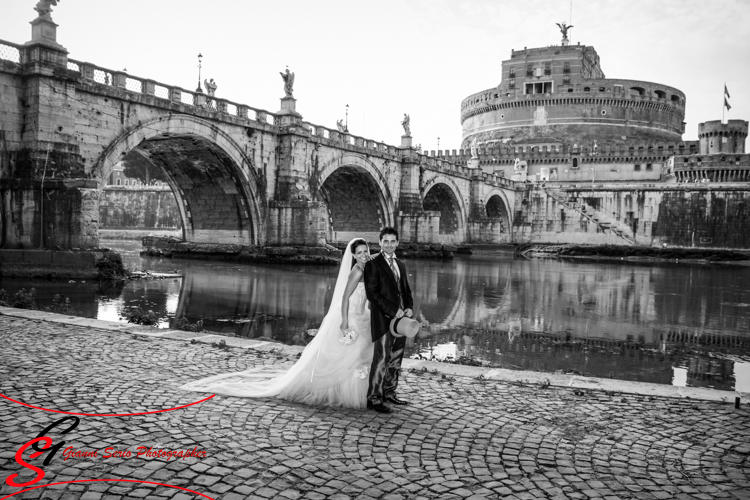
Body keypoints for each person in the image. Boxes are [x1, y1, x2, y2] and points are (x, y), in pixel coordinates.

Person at [179, 238, 374, 409]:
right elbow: (345, 298)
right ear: (354, 256)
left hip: (362, 315)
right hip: (349, 317)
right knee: (350, 355)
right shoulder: (356, 272)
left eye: (366, 251)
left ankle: (358, 391)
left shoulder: (368, 268)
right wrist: (345, 322)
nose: (364, 255)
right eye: (360, 253)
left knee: (359, 355)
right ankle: (343, 392)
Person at [364, 227, 414, 413]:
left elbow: (406, 290)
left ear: (397, 243)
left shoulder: (400, 264)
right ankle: (374, 398)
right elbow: (372, 294)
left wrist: (409, 307)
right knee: (381, 358)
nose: (389, 244)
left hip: (403, 322)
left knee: (396, 358)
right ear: (380, 242)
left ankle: (389, 393)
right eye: (386, 241)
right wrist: (394, 311)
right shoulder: (373, 264)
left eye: (393, 241)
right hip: (384, 319)